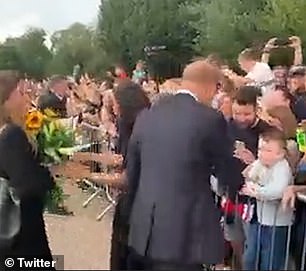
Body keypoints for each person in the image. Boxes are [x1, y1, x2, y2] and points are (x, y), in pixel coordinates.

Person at [126, 60, 242, 270]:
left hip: (145, 227)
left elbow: (133, 170)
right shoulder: (210, 119)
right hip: (185, 231)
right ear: (211, 85)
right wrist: (241, 179)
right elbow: (226, 167)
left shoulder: (147, 115)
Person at [0, 71, 55, 263]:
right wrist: (49, 173)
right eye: (21, 93)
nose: (28, 98)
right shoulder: (12, 135)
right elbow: (27, 187)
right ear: (6, 99)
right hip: (23, 237)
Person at [110, 80, 151, 270]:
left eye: (115, 102)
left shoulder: (141, 129)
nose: (112, 107)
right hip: (128, 203)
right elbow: (121, 158)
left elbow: (127, 178)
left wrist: (86, 175)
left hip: (137, 204)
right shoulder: (126, 125)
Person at [242, 128, 294, 270]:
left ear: (280, 154)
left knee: (270, 262)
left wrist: (256, 191)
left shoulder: (282, 168)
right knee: (250, 258)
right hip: (260, 220)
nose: (262, 154)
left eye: (268, 150)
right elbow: (249, 177)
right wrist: (252, 184)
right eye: (260, 149)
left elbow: (277, 190)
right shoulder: (260, 163)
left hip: (277, 224)